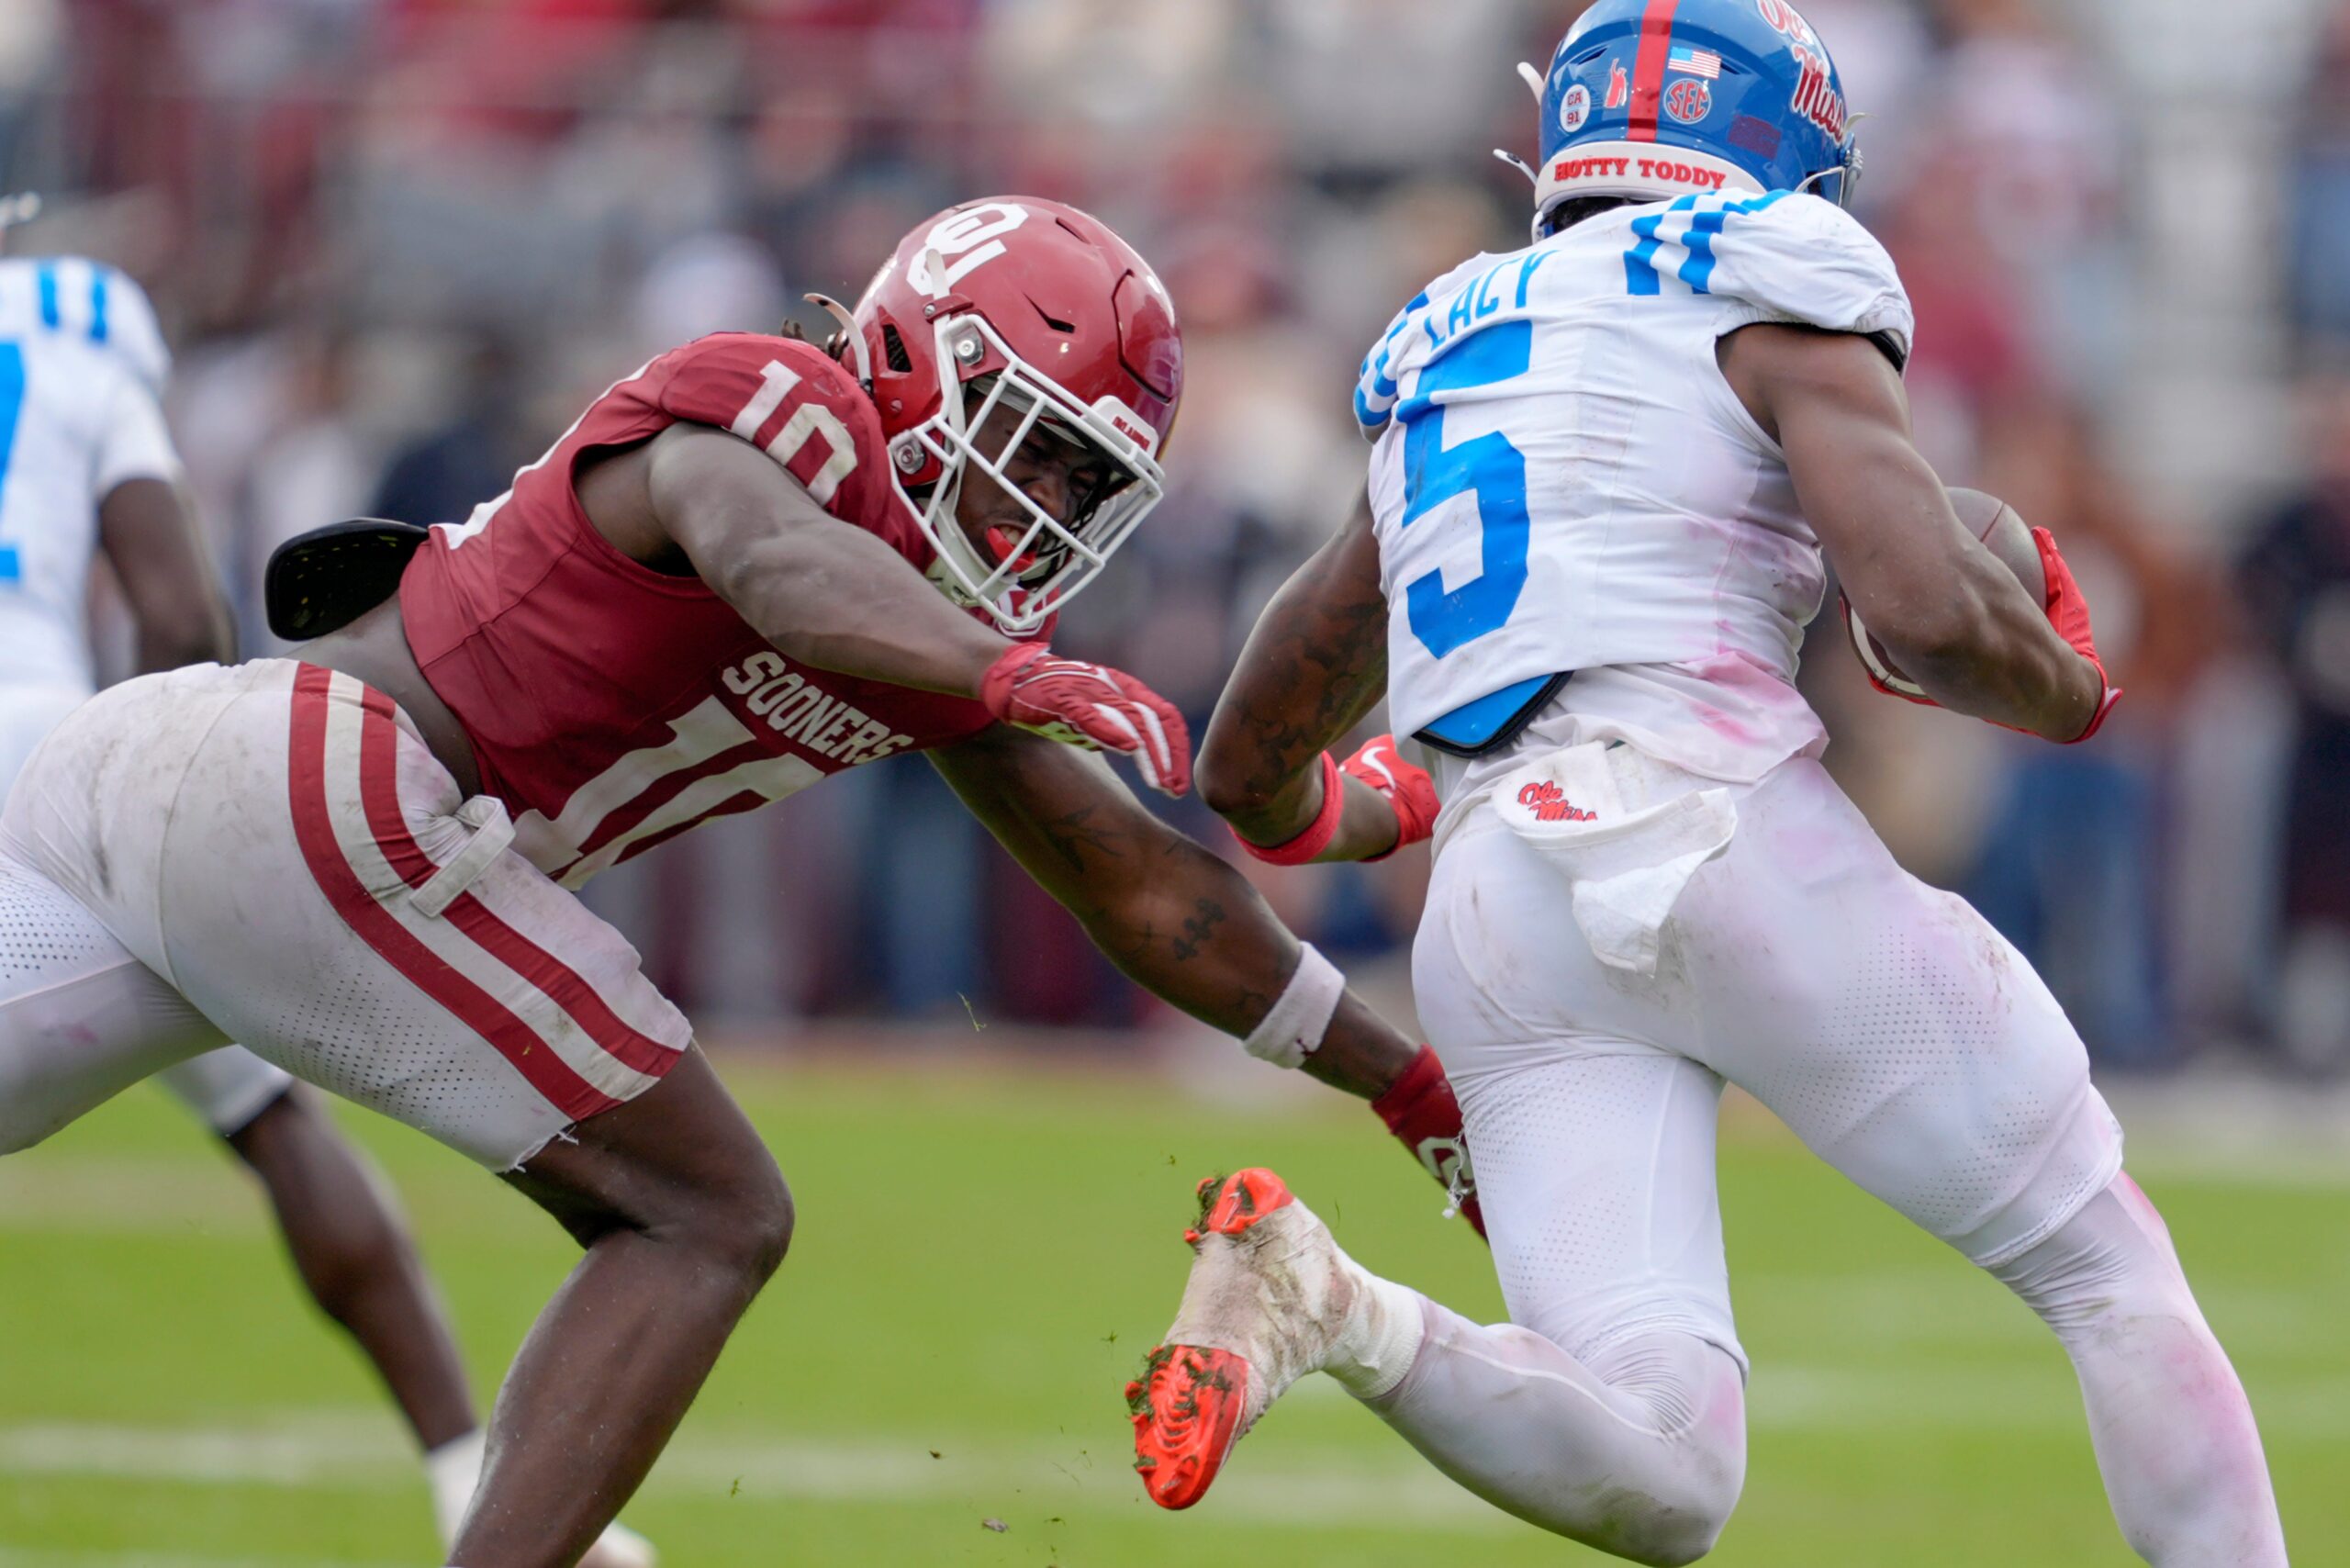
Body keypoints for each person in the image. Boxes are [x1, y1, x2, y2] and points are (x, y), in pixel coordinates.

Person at [0, 198, 1476, 1568]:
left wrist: (1405, 1086)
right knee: (708, 1215)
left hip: (207, 797)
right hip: (322, 784)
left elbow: (1143, 891)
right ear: (914, 357)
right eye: (1033, 446)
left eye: (1084, 482)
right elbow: (775, 563)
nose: (1040, 506)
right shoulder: (785, 406)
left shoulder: (937, 621)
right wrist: (1003, 668)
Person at [1123, 6, 2288, 1564]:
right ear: (1781, 147)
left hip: (1493, 908)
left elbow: (1252, 748)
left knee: (1669, 1470)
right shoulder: (1765, 269)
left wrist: (1345, 813)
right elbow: (1927, 615)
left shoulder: (1453, 333)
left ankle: (1337, 1308)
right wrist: (2072, 686)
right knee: (2103, 1269)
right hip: (1720, 833)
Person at [0, 249, 658, 1566]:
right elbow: (178, 602)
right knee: (273, 1121)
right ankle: (463, 1466)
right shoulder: (79, 349)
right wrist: (158, 801)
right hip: (43, 770)